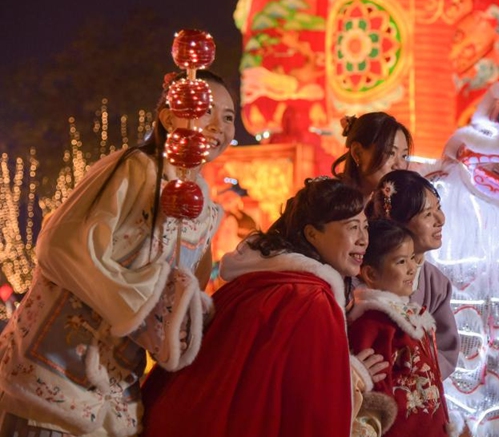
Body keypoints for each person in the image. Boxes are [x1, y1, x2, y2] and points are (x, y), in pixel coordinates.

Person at [0, 70, 236, 436]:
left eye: (228, 116)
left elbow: (183, 295)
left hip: (117, 393)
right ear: (169, 116)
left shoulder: (206, 210)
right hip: (51, 378)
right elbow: (63, 246)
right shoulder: (135, 168)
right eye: (205, 109)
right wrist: (142, 308)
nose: (218, 125)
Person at [141, 178, 395, 437]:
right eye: (352, 227)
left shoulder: (257, 280)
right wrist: (349, 378)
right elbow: (311, 412)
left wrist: (345, 369)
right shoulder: (312, 299)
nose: (363, 239)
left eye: (365, 227)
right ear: (312, 234)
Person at [348, 219, 450, 437]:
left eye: (412, 259)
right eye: (401, 262)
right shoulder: (373, 324)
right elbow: (376, 392)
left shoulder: (411, 316)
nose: (412, 268)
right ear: (371, 274)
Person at [367, 169, 459, 380]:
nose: (441, 219)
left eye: (439, 208)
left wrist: (418, 379)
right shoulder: (365, 273)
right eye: (428, 214)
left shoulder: (436, 283)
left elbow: (446, 350)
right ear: (397, 223)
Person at [331, 112, 412, 197]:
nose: (399, 166)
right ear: (357, 153)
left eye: (404, 156)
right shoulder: (326, 201)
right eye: (390, 153)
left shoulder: (393, 205)